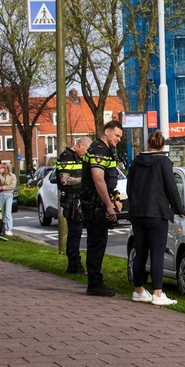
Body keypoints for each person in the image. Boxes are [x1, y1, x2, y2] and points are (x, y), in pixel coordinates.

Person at [127, 131, 185, 306]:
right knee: (157, 253)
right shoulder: (164, 162)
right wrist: (179, 209)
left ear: (148, 144)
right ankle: (158, 294)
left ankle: (138, 291)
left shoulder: (136, 161)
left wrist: (134, 205)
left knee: (141, 252)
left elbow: (130, 187)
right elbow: (171, 188)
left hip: (138, 213)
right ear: (162, 146)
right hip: (157, 213)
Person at [80, 120, 124, 297]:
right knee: (96, 243)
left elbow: (109, 181)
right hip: (95, 205)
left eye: (121, 136)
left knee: (99, 242)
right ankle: (94, 283)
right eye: (116, 135)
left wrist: (115, 199)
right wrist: (108, 205)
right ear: (107, 131)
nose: (119, 139)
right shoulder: (99, 150)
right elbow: (98, 179)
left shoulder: (107, 151)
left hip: (99, 203)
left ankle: (95, 281)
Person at [56, 137, 90, 275]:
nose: (86, 154)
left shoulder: (79, 157)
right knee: (75, 232)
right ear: (80, 145)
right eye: (86, 150)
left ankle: (74, 263)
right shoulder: (66, 157)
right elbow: (64, 180)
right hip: (72, 200)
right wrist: (84, 179)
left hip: (80, 199)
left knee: (78, 232)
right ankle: (73, 263)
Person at [0, 162, 17, 236]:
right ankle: (2, 228)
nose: (2, 169)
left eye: (4, 168)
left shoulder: (12, 176)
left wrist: (2, 187)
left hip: (9, 194)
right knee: (1, 212)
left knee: (7, 212)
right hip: (1, 194)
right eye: (2, 167)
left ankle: (9, 229)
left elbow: (12, 186)